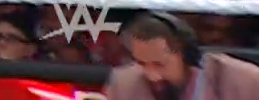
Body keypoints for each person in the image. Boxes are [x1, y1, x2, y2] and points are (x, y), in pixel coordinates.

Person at [108, 12, 259, 100]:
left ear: (186, 55)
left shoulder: (243, 82)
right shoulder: (124, 85)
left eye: (160, 64)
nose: (152, 76)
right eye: (142, 63)